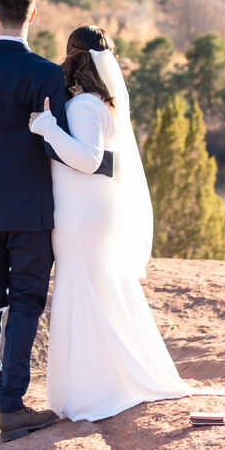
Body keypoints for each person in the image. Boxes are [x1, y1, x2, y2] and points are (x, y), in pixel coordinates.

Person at [0, 0, 111, 442]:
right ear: (32, 15)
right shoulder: (45, 74)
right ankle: (12, 406)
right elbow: (58, 146)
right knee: (25, 303)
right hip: (35, 210)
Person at [29, 26, 188, 422]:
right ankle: (104, 383)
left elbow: (86, 158)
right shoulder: (101, 102)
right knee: (94, 295)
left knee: (84, 296)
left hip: (81, 216)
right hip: (90, 212)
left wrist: (47, 128)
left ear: (73, 58)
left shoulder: (84, 105)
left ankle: (94, 392)